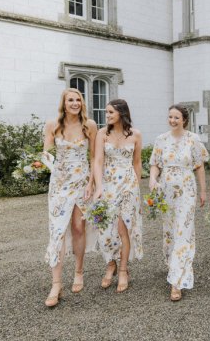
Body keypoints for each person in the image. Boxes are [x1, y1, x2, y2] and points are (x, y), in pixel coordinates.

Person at [43, 88, 98, 307]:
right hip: (59, 184)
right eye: (70, 100)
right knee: (56, 231)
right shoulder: (52, 124)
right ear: (63, 103)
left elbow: (95, 158)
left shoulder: (90, 125)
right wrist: (44, 163)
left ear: (82, 103)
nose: (74, 103)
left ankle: (79, 271)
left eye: (78, 100)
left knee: (78, 228)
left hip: (82, 183)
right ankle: (56, 284)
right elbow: (46, 153)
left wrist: (91, 183)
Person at [149, 104, 208, 302]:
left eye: (176, 117)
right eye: (170, 117)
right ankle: (172, 263)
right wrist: (152, 179)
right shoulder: (161, 139)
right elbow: (155, 164)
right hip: (165, 190)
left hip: (186, 189)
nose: (172, 120)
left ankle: (177, 280)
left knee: (184, 230)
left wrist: (203, 191)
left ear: (184, 119)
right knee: (170, 230)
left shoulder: (193, 139)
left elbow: (199, 166)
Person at [93, 99, 143, 294]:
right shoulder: (102, 133)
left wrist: (136, 187)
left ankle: (123, 270)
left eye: (110, 113)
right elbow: (98, 161)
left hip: (128, 186)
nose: (107, 116)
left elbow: (137, 163)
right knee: (106, 229)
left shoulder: (135, 134)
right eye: (106, 113)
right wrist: (98, 187)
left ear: (121, 113)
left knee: (123, 228)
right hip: (108, 184)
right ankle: (111, 264)